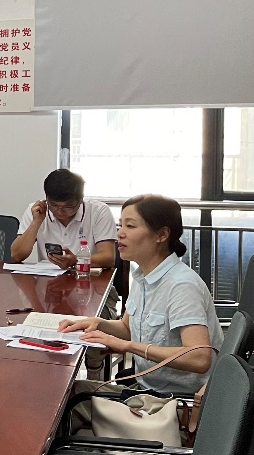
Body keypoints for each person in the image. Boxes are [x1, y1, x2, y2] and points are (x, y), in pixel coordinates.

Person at [58, 194, 221, 395]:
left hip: (174, 399)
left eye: (130, 226)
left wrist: (128, 346)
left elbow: (199, 358)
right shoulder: (144, 275)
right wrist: (97, 323)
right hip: (147, 387)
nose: (120, 233)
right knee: (67, 391)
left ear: (161, 235)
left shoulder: (181, 285)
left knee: (70, 395)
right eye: (121, 225)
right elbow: (128, 329)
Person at [11, 168, 117, 268]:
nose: (60, 211)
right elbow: (17, 255)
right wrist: (36, 221)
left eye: (68, 207)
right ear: (46, 198)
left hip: (86, 276)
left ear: (81, 200)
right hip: (48, 278)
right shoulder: (37, 210)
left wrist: (76, 260)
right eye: (54, 205)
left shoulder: (98, 211)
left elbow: (108, 258)